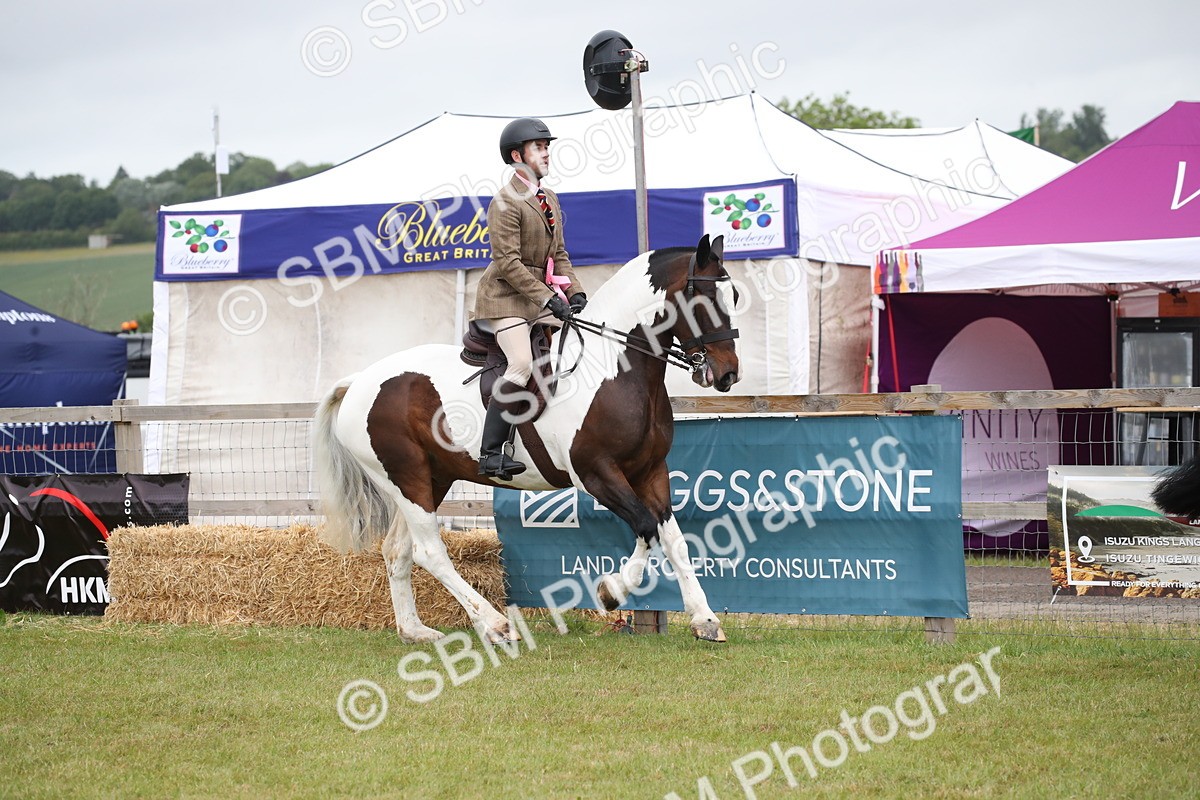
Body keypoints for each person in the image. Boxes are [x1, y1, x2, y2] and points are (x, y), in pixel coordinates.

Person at [474, 117, 588, 479]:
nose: (547, 153)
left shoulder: (548, 198)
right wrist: (548, 299)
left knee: (585, 335)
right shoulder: (504, 202)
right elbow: (508, 263)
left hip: (537, 299)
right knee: (521, 363)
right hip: (505, 298)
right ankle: (491, 453)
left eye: (547, 147)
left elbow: (560, 255)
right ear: (517, 156)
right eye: (539, 147)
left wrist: (575, 291)